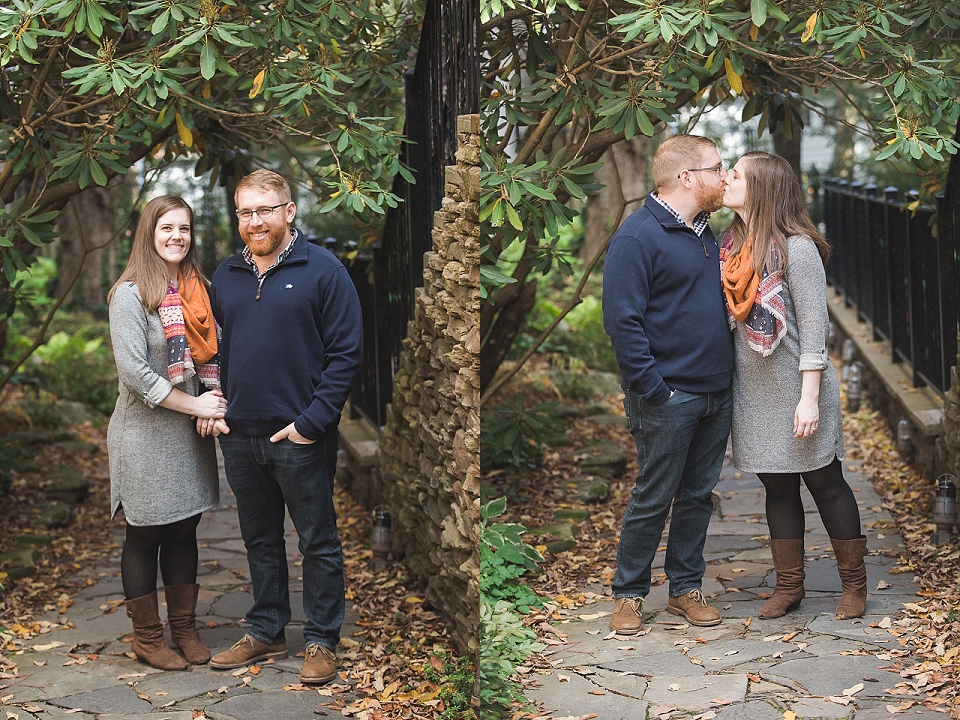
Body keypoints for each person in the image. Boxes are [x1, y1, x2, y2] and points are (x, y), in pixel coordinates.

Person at [205, 169, 363, 685]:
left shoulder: (323, 270)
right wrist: (215, 404)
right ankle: (267, 627)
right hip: (241, 434)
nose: (255, 221)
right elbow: (212, 350)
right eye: (246, 212)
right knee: (260, 539)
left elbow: (346, 353)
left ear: (289, 212)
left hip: (299, 435)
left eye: (265, 210)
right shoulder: (226, 275)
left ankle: (321, 639)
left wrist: (312, 424)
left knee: (317, 539)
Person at [720, 151, 867, 619]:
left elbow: (814, 328)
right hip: (755, 392)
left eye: (736, 174)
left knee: (825, 483)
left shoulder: (797, 249)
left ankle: (854, 586)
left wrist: (808, 401)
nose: (726, 179)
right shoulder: (732, 246)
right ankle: (789, 587)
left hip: (799, 390)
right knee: (777, 487)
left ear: (761, 188)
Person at [602, 134, 734, 634]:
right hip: (667, 395)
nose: (723, 177)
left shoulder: (706, 232)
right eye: (716, 168)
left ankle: (684, 588)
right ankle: (629, 595)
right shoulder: (637, 237)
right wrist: (655, 389)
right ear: (686, 177)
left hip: (714, 392)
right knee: (653, 496)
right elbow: (622, 322)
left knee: (699, 494)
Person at [107, 195, 227, 670]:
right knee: (146, 534)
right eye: (166, 228)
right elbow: (135, 372)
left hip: (187, 432)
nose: (176, 236)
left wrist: (211, 402)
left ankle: (185, 629)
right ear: (148, 234)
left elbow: (215, 354)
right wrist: (194, 401)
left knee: (184, 528)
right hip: (143, 434)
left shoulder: (201, 288)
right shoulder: (130, 293)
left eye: (184, 228)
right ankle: (148, 638)